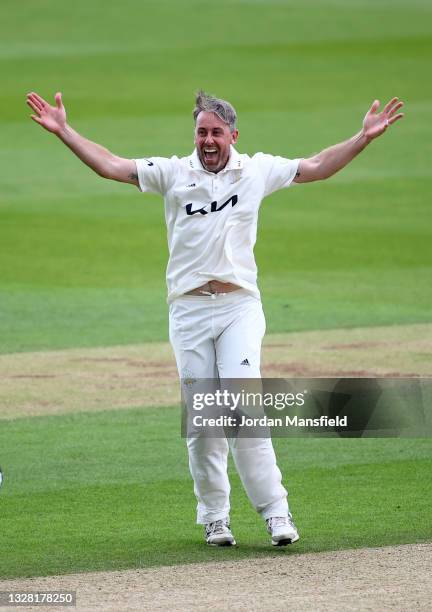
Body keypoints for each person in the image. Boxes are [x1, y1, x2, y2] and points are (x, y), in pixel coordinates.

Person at [26, 89, 404, 547]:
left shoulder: (256, 170)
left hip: (238, 306)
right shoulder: (173, 173)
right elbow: (112, 165)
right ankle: (214, 517)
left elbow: (317, 166)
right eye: (202, 132)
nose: (208, 140)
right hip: (187, 309)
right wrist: (65, 131)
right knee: (205, 419)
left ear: (233, 135)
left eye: (216, 133)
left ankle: (276, 513)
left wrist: (362, 138)